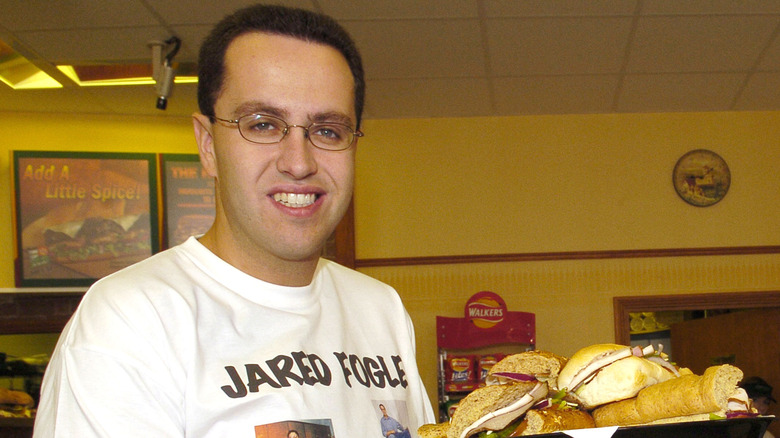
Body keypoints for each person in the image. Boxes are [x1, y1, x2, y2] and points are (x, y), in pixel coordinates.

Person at [33, 4, 434, 437]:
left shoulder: (380, 308)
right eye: (263, 124)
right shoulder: (132, 320)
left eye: (328, 131)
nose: (298, 162)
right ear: (208, 145)